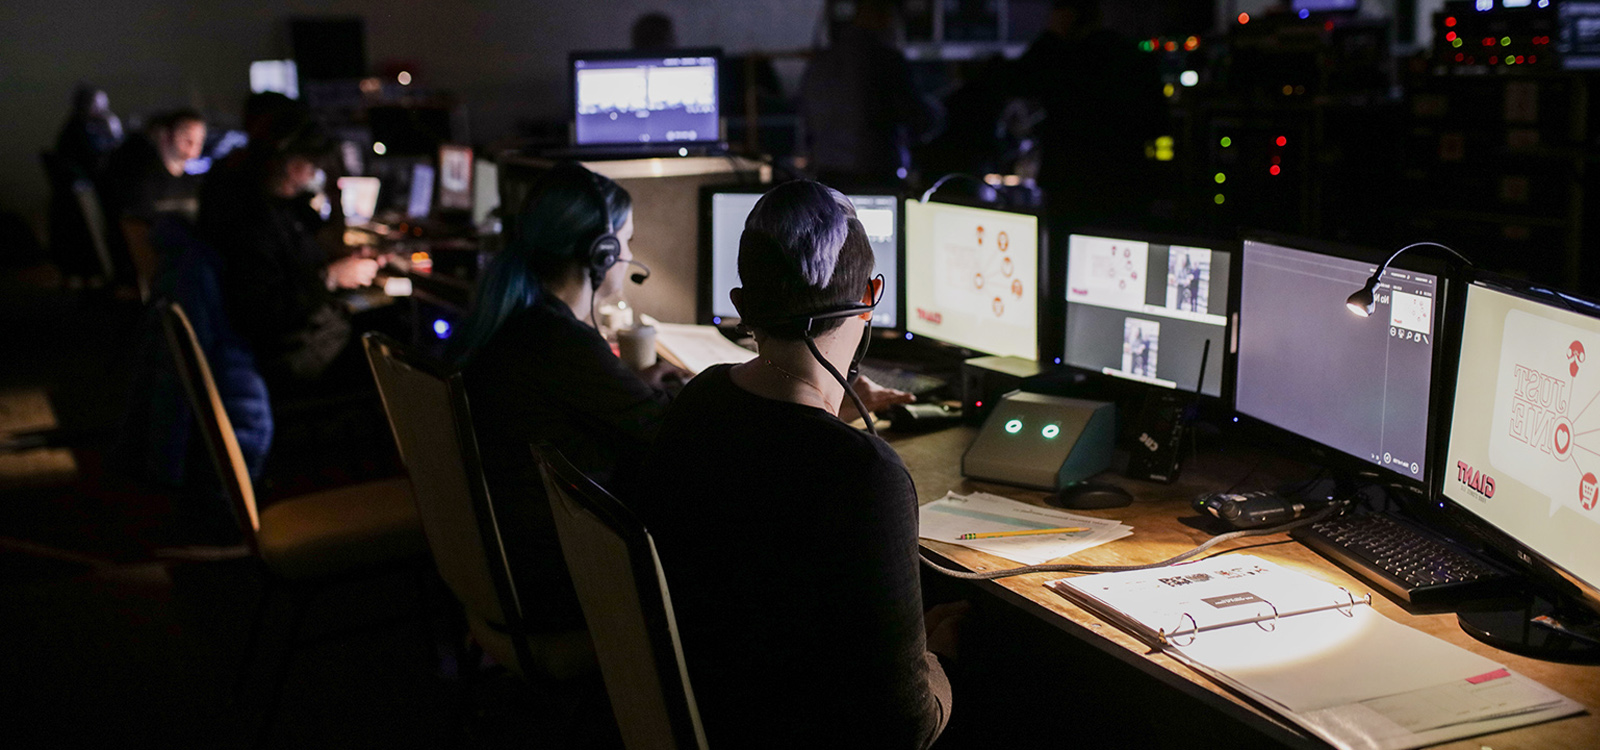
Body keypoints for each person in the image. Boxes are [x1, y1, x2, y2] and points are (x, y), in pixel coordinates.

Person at [628, 180, 956, 748]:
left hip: (711, 712)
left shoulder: (700, 400)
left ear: (742, 306)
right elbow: (907, 728)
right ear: (872, 294)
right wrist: (939, 661)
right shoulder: (864, 476)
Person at [209, 120, 379, 391]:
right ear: (288, 163)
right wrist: (330, 278)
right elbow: (263, 309)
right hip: (291, 351)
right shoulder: (252, 222)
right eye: (311, 165)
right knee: (395, 344)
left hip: (313, 333)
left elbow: (330, 241)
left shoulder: (289, 206)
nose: (314, 173)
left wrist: (336, 199)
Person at [1009, 0, 1165, 228]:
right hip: (1127, 180)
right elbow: (1157, 122)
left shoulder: (1062, 58)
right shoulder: (1131, 56)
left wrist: (1051, 36)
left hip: (1070, 180)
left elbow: (1017, 81)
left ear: (1067, 17)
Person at [799, 0, 941, 185]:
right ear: (884, 16)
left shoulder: (820, 61)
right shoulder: (886, 60)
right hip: (877, 178)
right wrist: (939, 111)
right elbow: (919, 120)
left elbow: (806, 122)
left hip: (827, 178)